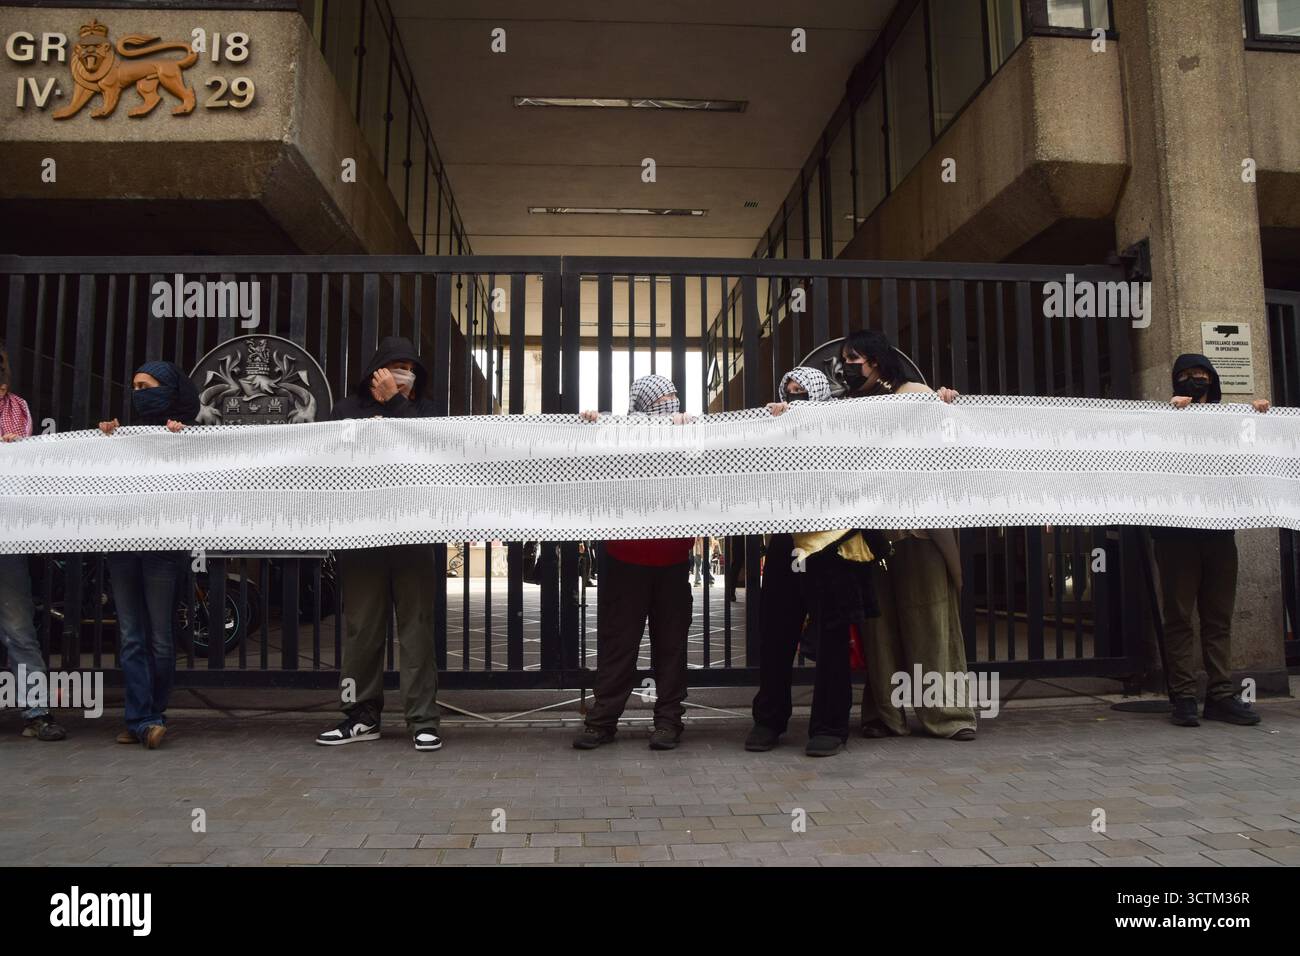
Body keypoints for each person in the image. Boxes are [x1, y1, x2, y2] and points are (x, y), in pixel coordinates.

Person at [832, 330, 977, 741]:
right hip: (871, 535)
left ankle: (948, 715)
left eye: (853, 359)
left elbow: (949, 445)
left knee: (931, 621)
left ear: (875, 361)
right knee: (878, 629)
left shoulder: (916, 395)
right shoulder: (848, 405)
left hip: (918, 532)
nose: (846, 367)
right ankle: (884, 715)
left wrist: (947, 406)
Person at [316, 337, 444, 752]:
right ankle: (360, 716)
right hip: (362, 535)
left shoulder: (426, 412)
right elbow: (330, 461)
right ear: (376, 371)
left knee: (417, 629)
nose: (403, 373)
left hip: (413, 534)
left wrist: (395, 403)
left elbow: (431, 452)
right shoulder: (346, 411)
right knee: (361, 630)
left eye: (410, 367)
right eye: (395, 365)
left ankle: (423, 720)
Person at [749, 366, 879, 756]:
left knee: (833, 638)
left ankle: (830, 726)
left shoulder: (841, 432)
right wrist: (769, 427)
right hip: (787, 544)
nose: (794, 398)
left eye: (802, 392)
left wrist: (938, 401)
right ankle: (769, 720)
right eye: (789, 391)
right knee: (776, 634)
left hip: (832, 547)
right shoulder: (772, 431)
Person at [573, 374, 694, 751]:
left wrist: (688, 433)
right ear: (642, 406)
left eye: (673, 397)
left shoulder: (690, 434)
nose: (671, 405)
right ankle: (602, 720)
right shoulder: (618, 436)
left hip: (673, 560)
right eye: (662, 400)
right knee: (618, 644)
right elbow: (587, 459)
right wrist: (593, 425)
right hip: (625, 559)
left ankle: (669, 721)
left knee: (671, 646)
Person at [1155, 354, 1269, 727]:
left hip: (1218, 533)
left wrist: (1259, 418)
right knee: (1179, 617)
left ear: (1213, 380)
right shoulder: (1163, 420)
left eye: (1202, 374)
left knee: (1218, 616)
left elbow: (1255, 453)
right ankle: (1184, 697)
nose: (1195, 380)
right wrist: (1169, 415)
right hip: (1176, 535)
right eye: (1187, 375)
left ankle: (1220, 694)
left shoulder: (1228, 422)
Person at [98, 361, 199, 749]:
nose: (139, 393)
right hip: (123, 545)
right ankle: (143, 719)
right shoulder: (124, 435)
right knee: (131, 635)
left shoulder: (187, 436)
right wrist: (106, 439)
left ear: (169, 390)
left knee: (159, 636)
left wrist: (180, 443)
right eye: (135, 387)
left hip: (162, 547)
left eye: (147, 385)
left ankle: (148, 716)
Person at [0, 344, 67, 741]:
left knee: (18, 627)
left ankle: (37, 712)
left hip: (7, 534)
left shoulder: (18, 408)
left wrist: (15, 451)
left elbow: (26, 465)